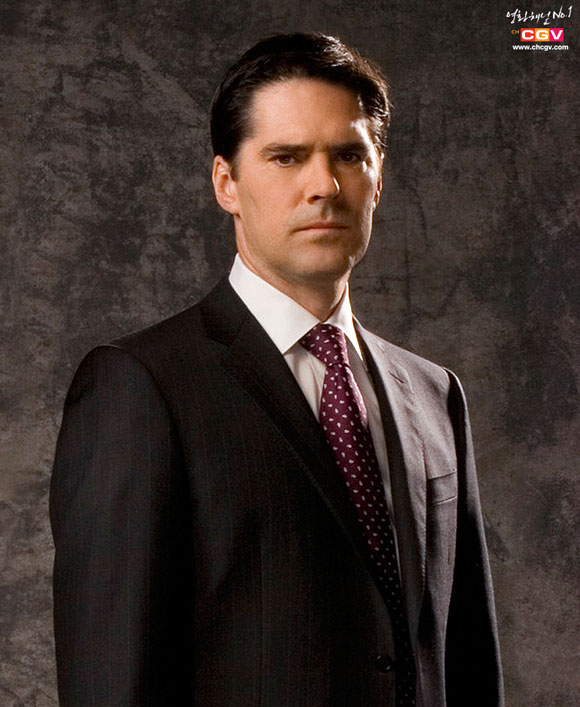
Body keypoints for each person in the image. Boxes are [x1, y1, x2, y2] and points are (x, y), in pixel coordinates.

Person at [50, 32, 504, 707]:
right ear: (226, 183)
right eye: (287, 157)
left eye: (349, 155)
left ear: (379, 178)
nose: (324, 186)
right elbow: (110, 682)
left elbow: (467, 665)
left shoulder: (436, 393)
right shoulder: (140, 387)